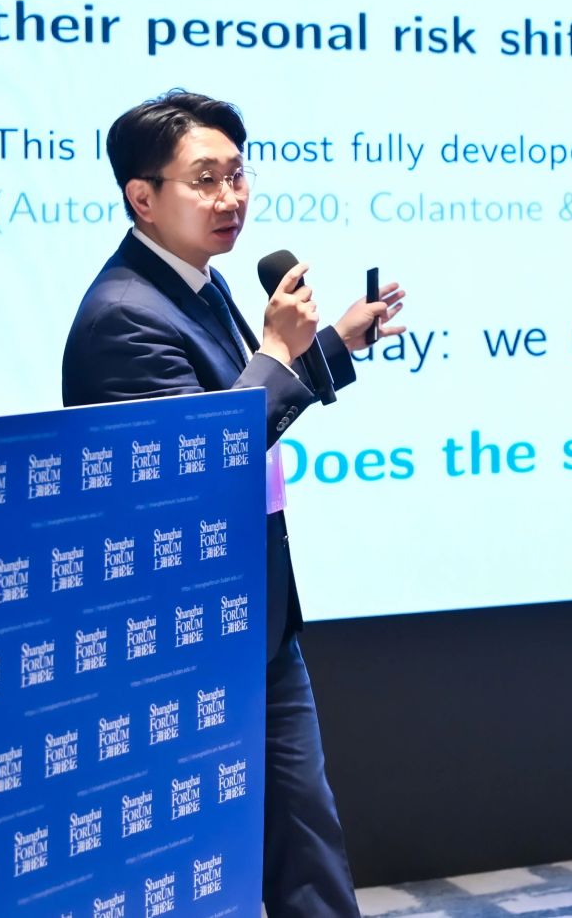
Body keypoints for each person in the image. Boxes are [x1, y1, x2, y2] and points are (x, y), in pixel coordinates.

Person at [62, 89, 403, 918]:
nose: (230, 197)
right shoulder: (124, 316)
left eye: (238, 174)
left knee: (304, 834)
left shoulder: (195, 285)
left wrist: (333, 343)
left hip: (253, 612)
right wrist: (278, 346)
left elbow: (235, 406)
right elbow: (199, 464)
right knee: (199, 857)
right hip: (181, 629)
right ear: (142, 197)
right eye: (205, 179)